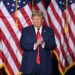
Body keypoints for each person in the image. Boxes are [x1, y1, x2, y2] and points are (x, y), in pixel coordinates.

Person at [20, 10, 57, 75]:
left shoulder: (49, 31)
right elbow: (22, 45)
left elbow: (53, 45)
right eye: (34, 19)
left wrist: (43, 44)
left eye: (38, 19)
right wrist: (35, 44)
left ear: (42, 20)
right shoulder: (26, 30)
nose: (36, 21)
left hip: (45, 66)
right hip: (29, 65)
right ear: (32, 20)